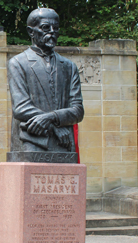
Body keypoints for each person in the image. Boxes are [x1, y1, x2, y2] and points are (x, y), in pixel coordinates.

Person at [8, 8, 84, 153]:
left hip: (63, 144)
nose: (52, 32)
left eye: (55, 28)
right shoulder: (18, 63)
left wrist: (51, 117)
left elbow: (78, 110)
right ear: (31, 32)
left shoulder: (69, 67)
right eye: (45, 28)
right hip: (32, 140)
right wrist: (55, 128)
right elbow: (21, 108)